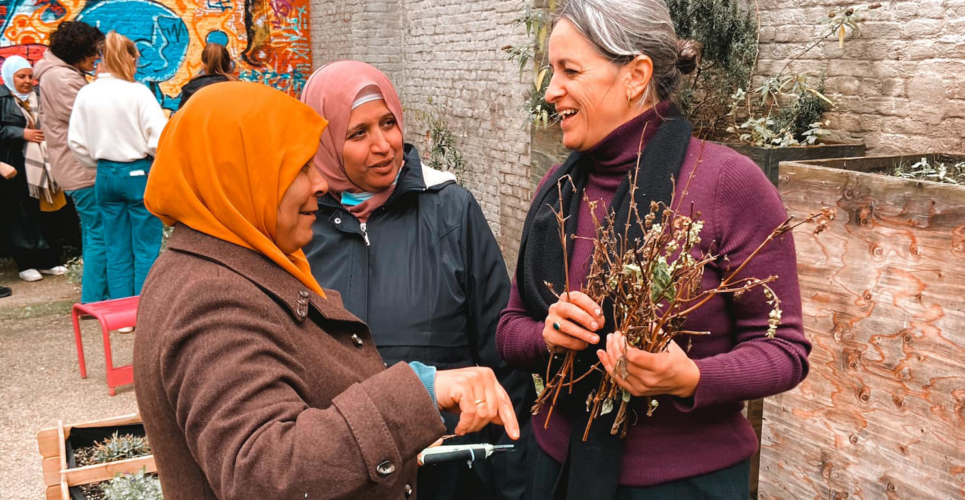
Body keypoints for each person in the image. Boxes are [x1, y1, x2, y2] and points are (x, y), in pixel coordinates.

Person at [134, 81, 519, 500]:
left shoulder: (232, 265)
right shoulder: (210, 298)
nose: (319, 184)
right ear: (240, 177)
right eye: (298, 167)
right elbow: (265, 471)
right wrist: (419, 390)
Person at [495, 1, 812, 499]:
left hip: (683, 485)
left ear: (636, 75)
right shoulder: (556, 192)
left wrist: (690, 377)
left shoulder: (728, 185)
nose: (550, 90)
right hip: (554, 470)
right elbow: (510, 329)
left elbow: (785, 352)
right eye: (551, 70)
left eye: (569, 70)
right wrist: (548, 336)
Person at [301, 61, 533, 500]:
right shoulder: (300, 229)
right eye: (358, 133)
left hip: (451, 470)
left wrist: (514, 483)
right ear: (325, 142)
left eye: (388, 123)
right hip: (346, 475)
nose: (383, 145)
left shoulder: (451, 212)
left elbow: (504, 359)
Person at [68, 31, 167, 300]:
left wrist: (97, 162)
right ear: (129, 58)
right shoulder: (138, 93)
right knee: (145, 247)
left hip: (105, 174)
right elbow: (160, 138)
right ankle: (143, 309)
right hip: (138, 173)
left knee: (115, 246)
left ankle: (122, 311)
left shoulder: (86, 93)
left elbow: (76, 142)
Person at [35, 20, 107, 302]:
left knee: (94, 232)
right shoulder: (61, 79)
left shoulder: (62, 74)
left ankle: (98, 294)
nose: (96, 58)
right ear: (77, 51)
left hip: (77, 167)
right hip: (82, 169)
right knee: (98, 233)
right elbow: (88, 118)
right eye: (93, 52)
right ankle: (95, 298)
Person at [0, 55, 66, 282]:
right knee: (20, 216)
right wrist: (20, 133)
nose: (27, 81)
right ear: (9, 76)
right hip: (14, 165)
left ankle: (48, 260)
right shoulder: (2, 99)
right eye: (21, 76)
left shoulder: (39, 96)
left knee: (46, 212)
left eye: (30, 76)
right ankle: (25, 263)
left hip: (44, 166)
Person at [177, 43, 237, 109]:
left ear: (204, 64)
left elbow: (183, 116)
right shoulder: (237, 87)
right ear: (229, 63)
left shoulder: (192, 88)